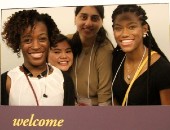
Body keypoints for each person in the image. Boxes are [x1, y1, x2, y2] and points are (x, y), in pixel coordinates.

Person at [1, 9, 75, 106]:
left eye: (42, 39)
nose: (36, 46)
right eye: (27, 40)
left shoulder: (65, 80)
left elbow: (69, 119)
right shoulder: (6, 80)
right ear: (18, 43)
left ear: (50, 41)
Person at [111, 4, 170, 106]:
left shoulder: (162, 69)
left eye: (132, 27)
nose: (124, 33)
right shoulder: (117, 59)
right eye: (118, 28)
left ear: (144, 29)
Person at [68, 6, 114, 106]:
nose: (88, 23)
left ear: (101, 22)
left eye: (94, 18)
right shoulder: (66, 42)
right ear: (75, 18)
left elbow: (105, 97)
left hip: (95, 109)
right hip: (68, 105)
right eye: (83, 17)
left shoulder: (105, 49)